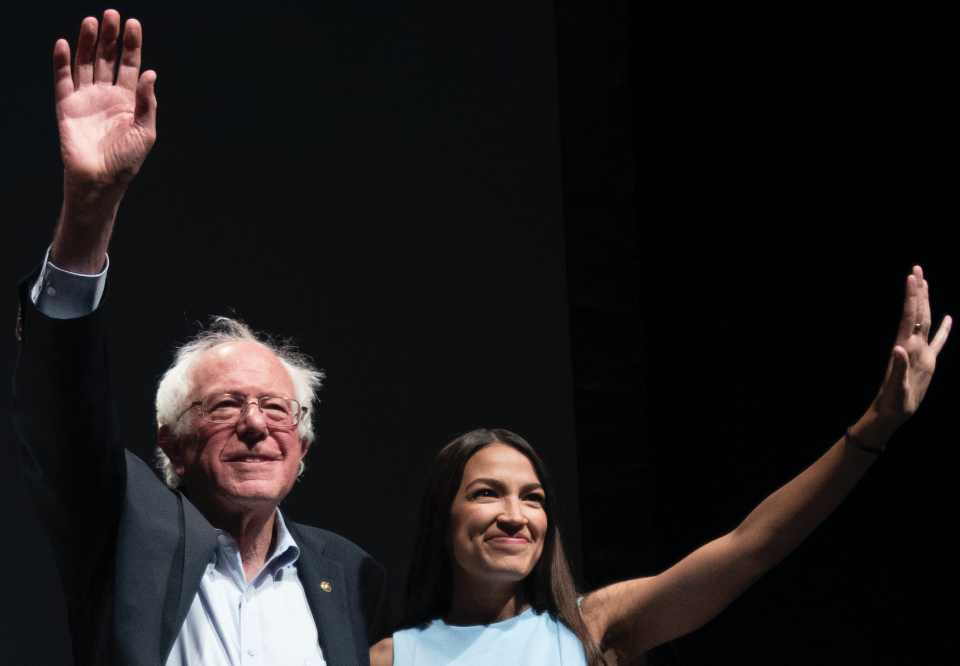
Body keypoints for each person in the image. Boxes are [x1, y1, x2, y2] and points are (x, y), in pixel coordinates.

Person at [13, 10, 385, 666]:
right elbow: (61, 412)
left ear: (303, 445)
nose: (254, 425)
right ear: (171, 441)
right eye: (223, 406)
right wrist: (90, 206)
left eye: (277, 409)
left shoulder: (351, 576)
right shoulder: (123, 530)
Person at [371, 268, 951, 666]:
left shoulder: (593, 627)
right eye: (487, 494)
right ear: (441, 520)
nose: (515, 515)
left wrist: (876, 425)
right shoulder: (389, 657)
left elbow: (750, 547)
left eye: (534, 497)